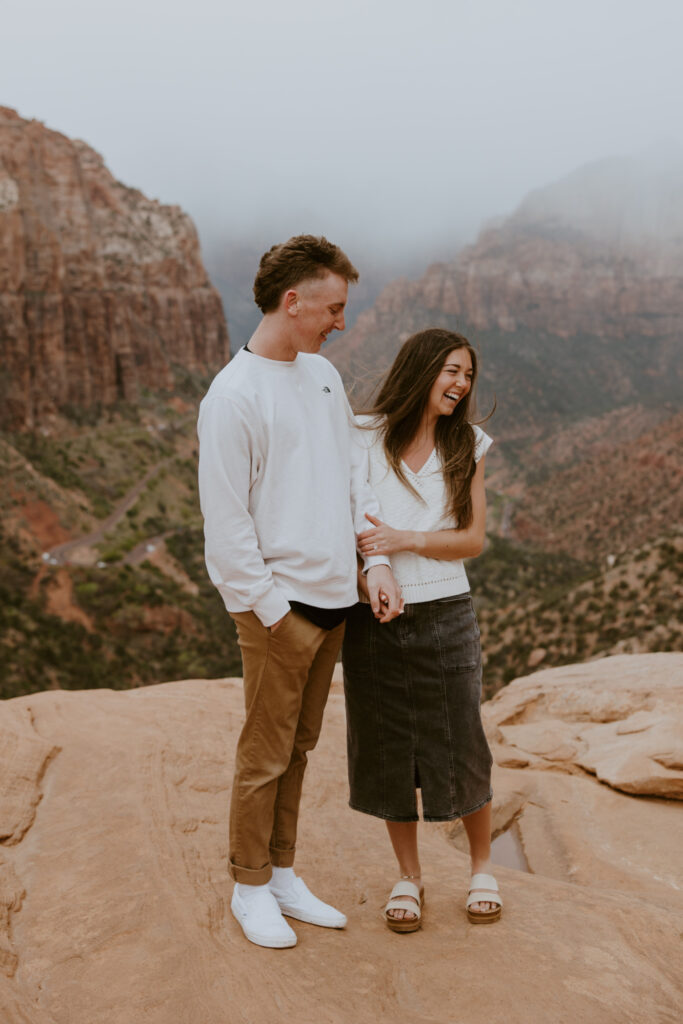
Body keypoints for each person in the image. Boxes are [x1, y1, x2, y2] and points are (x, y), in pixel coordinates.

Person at [197, 235, 402, 949]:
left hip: (333, 600)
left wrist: (371, 562)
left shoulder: (319, 376)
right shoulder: (233, 397)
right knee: (264, 754)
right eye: (333, 308)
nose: (341, 321)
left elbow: (350, 474)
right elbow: (226, 529)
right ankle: (249, 886)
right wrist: (277, 616)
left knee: (301, 747)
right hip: (277, 609)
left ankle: (281, 874)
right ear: (293, 302)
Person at [342, 327, 502, 932]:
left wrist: (405, 540)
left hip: (446, 613)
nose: (461, 384)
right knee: (386, 748)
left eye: (468, 374)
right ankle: (408, 877)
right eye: (451, 371)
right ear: (420, 369)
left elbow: (473, 539)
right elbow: (343, 523)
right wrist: (366, 580)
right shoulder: (362, 436)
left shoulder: (469, 445)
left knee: (461, 738)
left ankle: (482, 866)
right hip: (372, 617)